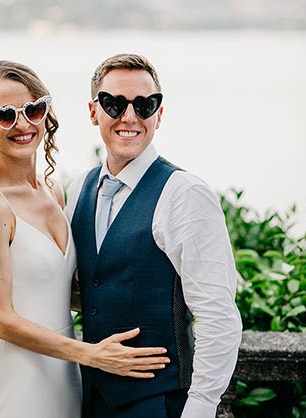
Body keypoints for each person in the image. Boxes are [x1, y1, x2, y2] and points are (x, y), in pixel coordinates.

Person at [0, 60, 170, 418]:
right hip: (21, 372)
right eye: (5, 115)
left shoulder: (54, 190)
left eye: (33, 110)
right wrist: (92, 354)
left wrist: (155, 304)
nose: (23, 125)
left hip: (64, 369)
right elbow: (0, 320)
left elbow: (61, 288)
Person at [64, 53, 243, 418]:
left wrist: (201, 407)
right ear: (93, 111)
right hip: (90, 398)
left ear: (159, 115)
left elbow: (217, 314)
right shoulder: (79, 188)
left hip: (160, 403)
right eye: (114, 103)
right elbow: (90, 290)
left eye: (145, 105)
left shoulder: (184, 193)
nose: (129, 117)